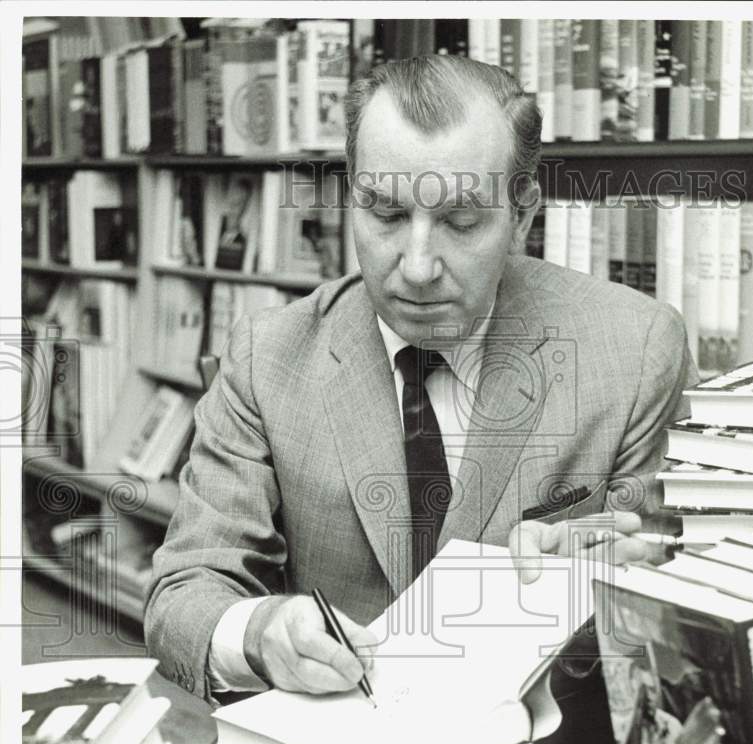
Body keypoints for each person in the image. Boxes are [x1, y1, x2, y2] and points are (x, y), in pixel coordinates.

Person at [145, 56, 696, 703]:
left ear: (522, 216)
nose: (417, 266)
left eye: (461, 222)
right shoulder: (267, 357)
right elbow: (182, 596)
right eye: (384, 213)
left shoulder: (634, 349)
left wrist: (621, 580)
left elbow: (679, 605)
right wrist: (262, 633)